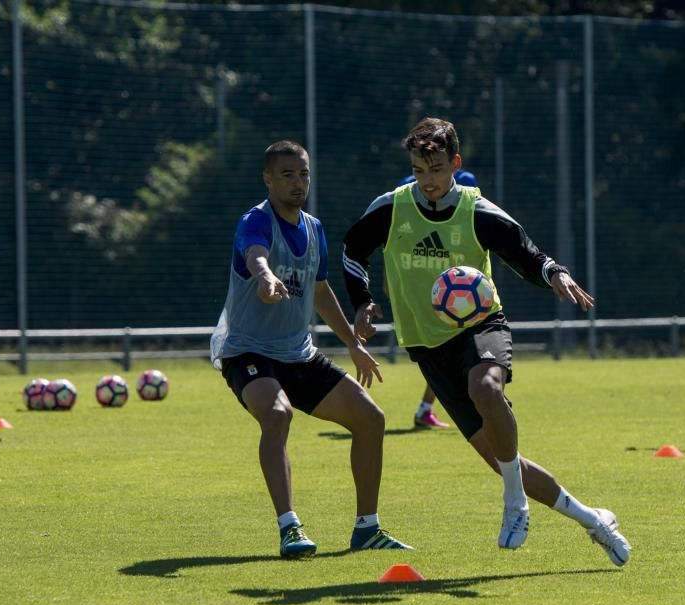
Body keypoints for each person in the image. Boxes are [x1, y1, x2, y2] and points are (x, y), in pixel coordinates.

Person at [342, 117, 631, 566]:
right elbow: (352, 250)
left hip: (480, 325)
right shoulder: (391, 208)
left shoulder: (477, 210)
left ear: (455, 163)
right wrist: (362, 302)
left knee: (486, 388)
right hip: (427, 346)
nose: (429, 180)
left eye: (436, 168)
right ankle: (594, 520)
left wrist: (555, 273)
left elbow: (525, 252)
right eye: (419, 170)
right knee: (501, 459)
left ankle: (515, 502)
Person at [210, 140, 412, 559]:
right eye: (287, 175)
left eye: (303, 174)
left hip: (298, 354)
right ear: (268, 178)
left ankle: (367, 529)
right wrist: (265, 279)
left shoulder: (314, 227)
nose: (297, 182)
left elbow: (320, 293)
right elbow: (255, 257)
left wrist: (353, 345)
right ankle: (289, 527)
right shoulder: (256, 220)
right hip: (247, 351)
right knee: (277, 413)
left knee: (371, 419)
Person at [398, 168, 479, 430]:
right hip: (434, 291)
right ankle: (442, 408)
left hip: (445, 288)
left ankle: (426, 409)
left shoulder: (411, 187)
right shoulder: (462, 185)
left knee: (446, 355)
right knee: (447, 355)